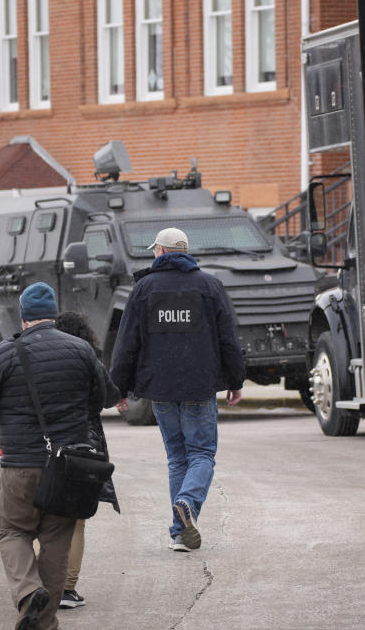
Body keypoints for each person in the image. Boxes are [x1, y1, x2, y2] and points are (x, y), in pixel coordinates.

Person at [0, 282, 108, 630]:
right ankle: (45, 622)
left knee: (11, 530)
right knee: (56, 539)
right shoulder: (81, 350)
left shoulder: (1, 354)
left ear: (23, 316)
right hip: (67, 468)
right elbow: (101, 399)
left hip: (20, 464)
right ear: (54, 313)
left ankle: (29, 592)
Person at [109, 227, 244, 553]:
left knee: (177, 458)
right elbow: (228, 338)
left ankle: (178, 532)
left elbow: (126, 343)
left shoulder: (144, 288)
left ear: (161, 252)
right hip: (199, 385)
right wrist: (236, 380)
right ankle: (187, 504)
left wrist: (118, 387)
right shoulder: (210, 286)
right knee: (201, 454)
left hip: (161, 388)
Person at [52, 311, 121, 610]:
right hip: (83, 443)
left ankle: (45, 585)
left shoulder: (43, 357)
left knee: (46, 517)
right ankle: (67, 589)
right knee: (76, 521)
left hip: (47, 443)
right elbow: (109, 396)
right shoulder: (88, 357)